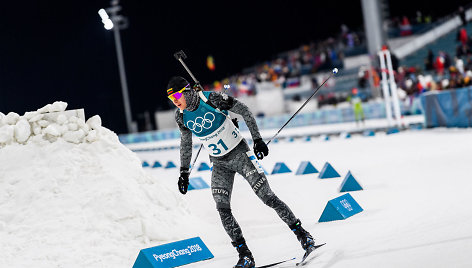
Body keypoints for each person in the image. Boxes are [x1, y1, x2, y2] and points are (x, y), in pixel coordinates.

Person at [167, 76, 317, 268]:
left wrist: (258, 140)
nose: (175, 100)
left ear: (188, 91)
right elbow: (186, 143)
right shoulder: (180, 116)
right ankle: (245, 256)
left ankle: (303, 235)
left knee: (268, 197)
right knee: (222, 209)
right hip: (219, 164)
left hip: (241, 156)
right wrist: (184, 172)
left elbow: (244, 110)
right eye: (171, 99)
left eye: (177, 95)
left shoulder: (212, 99)